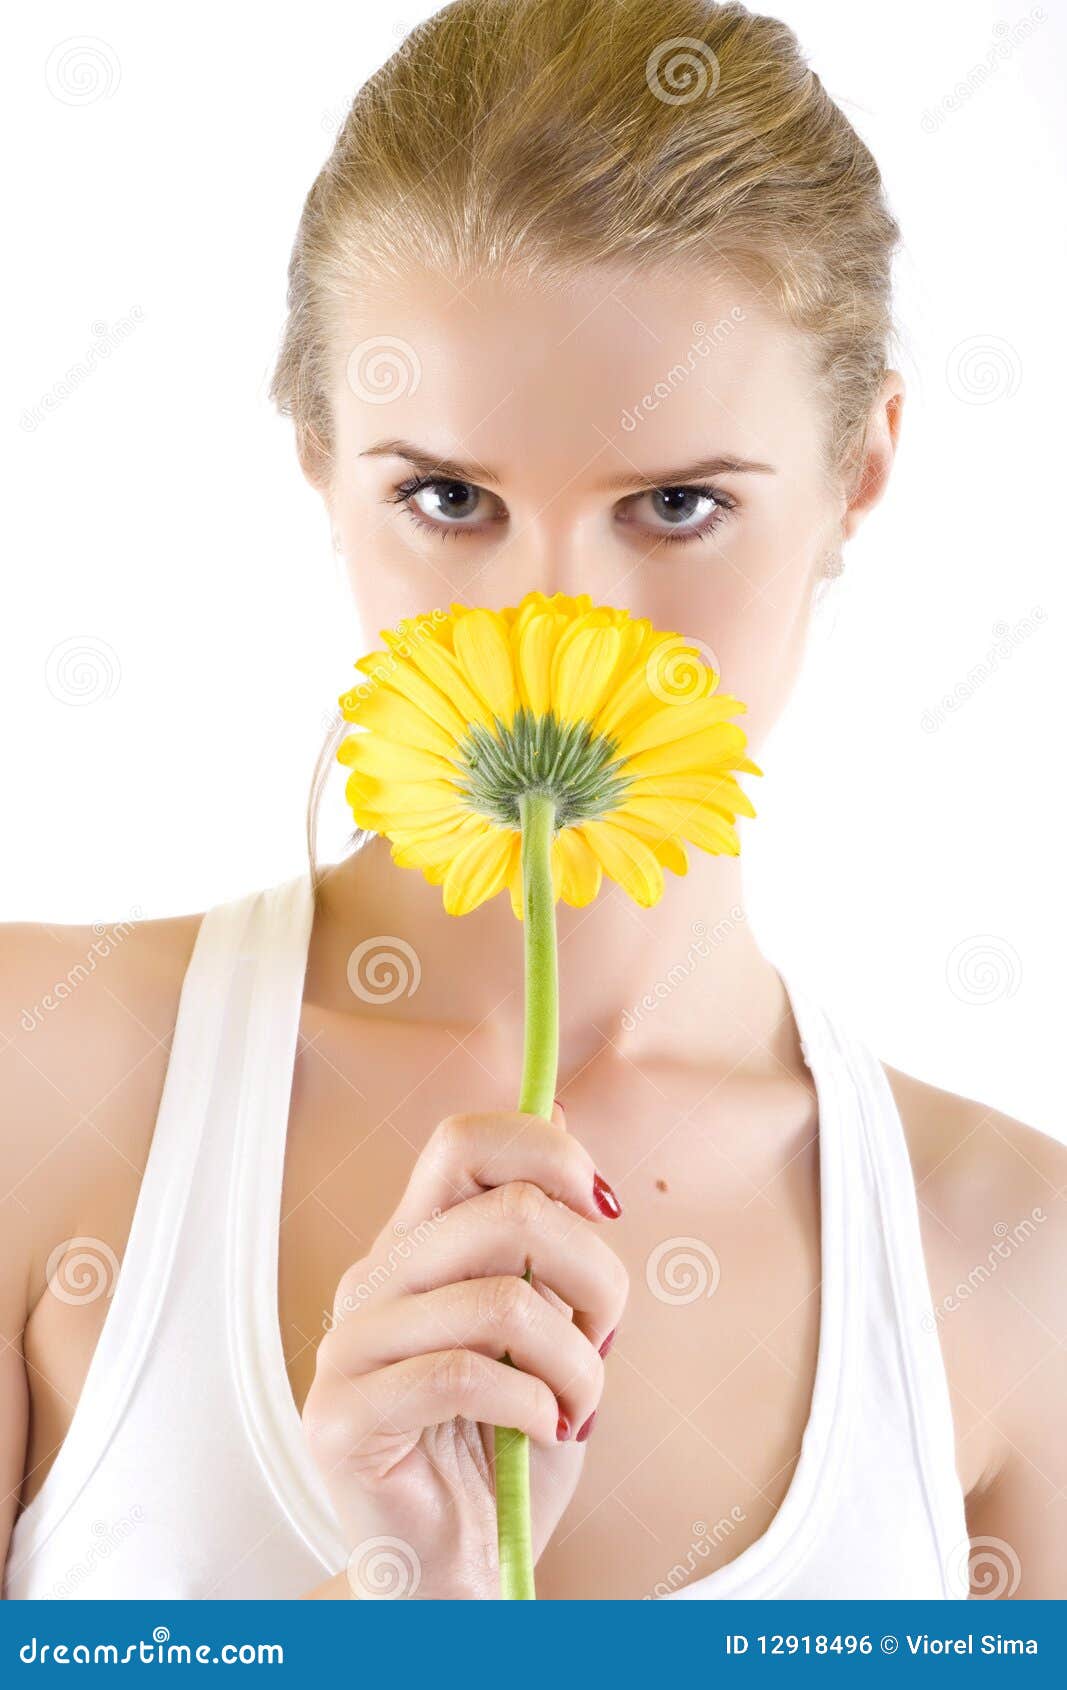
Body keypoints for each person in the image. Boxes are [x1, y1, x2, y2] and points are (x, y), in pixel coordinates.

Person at [3, 0, 1063, 1601]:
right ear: (317, 454)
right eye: (449, 498)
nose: (554, 629)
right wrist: (392, 1603)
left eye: (677, 504)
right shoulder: (37, 1073)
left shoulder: (1015, 1261)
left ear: (863, 466)